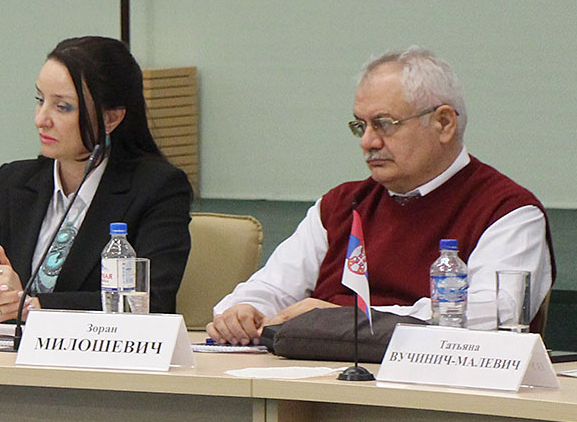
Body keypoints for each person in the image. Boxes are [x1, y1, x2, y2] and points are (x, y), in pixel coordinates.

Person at [208, 46, 554, 343]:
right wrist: (244, 311)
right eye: (361, 125)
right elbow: (272, 288)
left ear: (444, 123)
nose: (367, 142)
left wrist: (342, 320)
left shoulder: (507, 210)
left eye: (384, 124)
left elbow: (493, 314)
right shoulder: (341, 205)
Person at [0, 36, 192, 324]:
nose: (41, 119)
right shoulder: (16, 182)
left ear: (111, 119)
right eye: (40, 100)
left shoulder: (157, 188)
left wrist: (30, 306)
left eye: (62, 107)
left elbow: (151, 301)